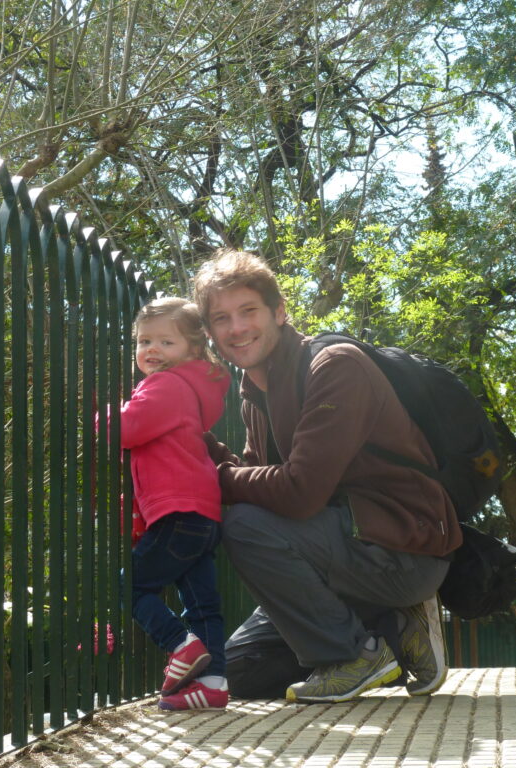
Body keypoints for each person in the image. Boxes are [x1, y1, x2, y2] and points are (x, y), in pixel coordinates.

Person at [193, 249, 462, 703]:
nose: (236, 328)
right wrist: (194, 443)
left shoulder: (335, 366)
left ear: (279, 311)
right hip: (340, 547)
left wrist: (216, 476)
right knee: (236, 673)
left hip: (400, 548)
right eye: (221, 318)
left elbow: (299, 493)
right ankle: (392, 630)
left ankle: (355, 654)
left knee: (241, 526)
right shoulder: (252, 393)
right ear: (211, 333)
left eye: (248, 311)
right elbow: (254, 481)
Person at [119, 297, 231, 711]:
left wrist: (104, 414)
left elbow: (125, 429)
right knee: (203, 603)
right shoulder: (194, 390)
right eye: (144, 340)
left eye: (166, 342)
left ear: (194, 348)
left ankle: (179, 645)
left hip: (175, 512)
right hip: (203, 515)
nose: (152, 351)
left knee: (126, 586)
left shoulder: (166, 384)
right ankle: (213, 683)